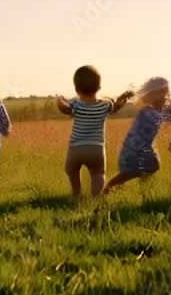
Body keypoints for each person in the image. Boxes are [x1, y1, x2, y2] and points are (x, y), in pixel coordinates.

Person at [56, 65, 133, 197]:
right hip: (96, 149)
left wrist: (59, 101)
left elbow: (65, 109)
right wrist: (122, 99)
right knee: (98, 173)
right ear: (99, 87)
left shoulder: (76, 105)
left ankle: (76, 193)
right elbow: (115, 107)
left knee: (71, 169)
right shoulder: (105, 104)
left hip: (76, 148)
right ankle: (96, 196)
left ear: (76, 89)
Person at [103, 77, 170, 194]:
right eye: (162, 95)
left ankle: (144, 193)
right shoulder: (148, 112)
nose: (165, 98)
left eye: (166, 95)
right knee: (133, 172)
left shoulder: (155, 111)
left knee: (150, 167)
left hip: (142, 150)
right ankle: (108, 188)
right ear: (153, 96)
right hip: (133, 150)